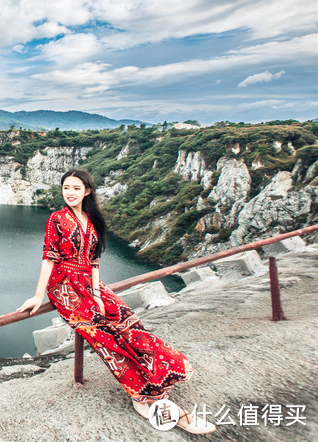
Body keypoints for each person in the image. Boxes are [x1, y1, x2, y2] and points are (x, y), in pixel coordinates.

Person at [17, 169, 215, 434]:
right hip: (66, 288)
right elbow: (49, 257)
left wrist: (98, 294)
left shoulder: (92, 219)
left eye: (76, 188)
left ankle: (154, 385)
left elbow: (95, 259)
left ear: (87, 191)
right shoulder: (57, 218)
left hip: (91, 285)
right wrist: (39, 295)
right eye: (66, 187)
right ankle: (150, 401)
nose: (70, 193)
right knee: (108, 341)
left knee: (131, 327)